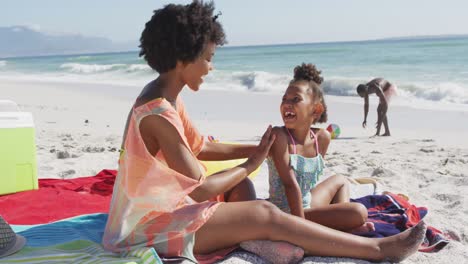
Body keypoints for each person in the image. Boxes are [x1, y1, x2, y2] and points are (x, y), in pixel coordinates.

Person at [103, 1, 426, 263]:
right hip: (148, 229)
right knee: (262, 210)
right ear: (183, 58)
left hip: (163, 211)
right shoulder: (158, 112)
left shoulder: (167, 96)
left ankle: (254, 240)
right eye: (208, 58)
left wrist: (259, 147)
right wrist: (252, 162)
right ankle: (379, 250)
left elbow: (200, 148)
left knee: (240, 187)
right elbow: (200, 190)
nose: (211, 67)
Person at [268, 63, 374, 232]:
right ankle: (344, 226)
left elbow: (306, 188)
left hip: (307, 204)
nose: (287, 104)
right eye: (284, 99)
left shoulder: (322, 138)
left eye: (295, 99)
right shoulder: (280, 136)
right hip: (284, 213)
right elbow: (290, 185)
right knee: (358, 212)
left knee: (340, 180)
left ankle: (343, 225)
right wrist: (301, 227)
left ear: (316, 110)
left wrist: (334, 212)